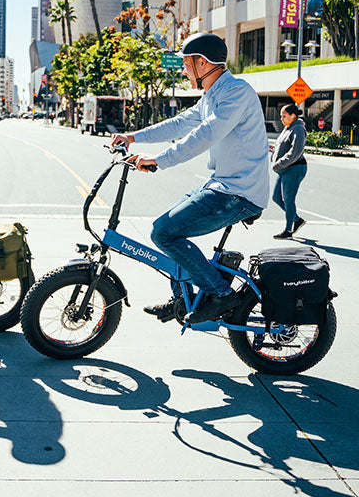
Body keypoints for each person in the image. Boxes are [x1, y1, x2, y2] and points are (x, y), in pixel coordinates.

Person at [111, 32, 270, 325]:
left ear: (202, 62)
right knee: (167, 228)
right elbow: (180, 124)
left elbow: (205, 135)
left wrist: (159, 160)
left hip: (240, 192)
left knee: (164, 232)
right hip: (222, 184)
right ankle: (182, 299)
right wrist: (133, 137)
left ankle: (221, 293)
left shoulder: (236, 93)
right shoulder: (213, 95)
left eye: (186, 64)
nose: (183, 70)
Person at [271, 103, 308, 239]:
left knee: (288, 199)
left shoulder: (298, 129)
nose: (281, 118)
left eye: (284, 116)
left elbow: (295, 152)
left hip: (294, 168)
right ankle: (297, 220)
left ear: (293, 116)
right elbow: (282, 146)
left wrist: (278, 164)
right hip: (284, 169)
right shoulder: (288, 127)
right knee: (276, 197)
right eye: (281, 116)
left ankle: (288, 231)